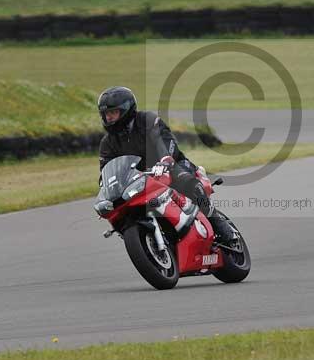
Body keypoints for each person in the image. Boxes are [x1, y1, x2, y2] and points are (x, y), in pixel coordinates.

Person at [93, 85, 235, 242]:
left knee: (190, 184)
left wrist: (165, 159)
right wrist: (106, 189)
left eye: (113, 113)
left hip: (170, 165)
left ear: (127, 109)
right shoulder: (107, 143)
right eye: (106, 114)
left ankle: (218, 223)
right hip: (140, 181)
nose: (110, 118)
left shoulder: (147, 120)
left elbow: (164, 141)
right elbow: (106, 169)